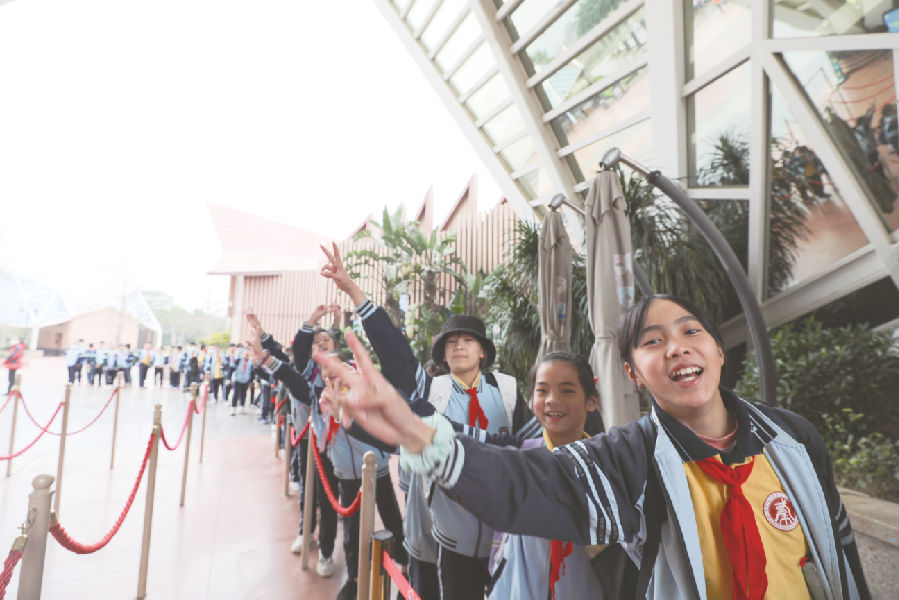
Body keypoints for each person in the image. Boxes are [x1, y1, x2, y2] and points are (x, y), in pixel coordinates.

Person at [318, 294, 871, 600]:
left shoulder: (793, 440)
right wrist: (414, 431)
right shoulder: (627, 459)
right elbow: (527, 480)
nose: (676, 348)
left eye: (691, 332)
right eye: (653, 341)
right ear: (633, 373)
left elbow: (841, 553)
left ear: (718, 351)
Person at [319, 242, 540, 600]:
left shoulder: (509, 391)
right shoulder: (432, 391)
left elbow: (535, 448)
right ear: (442, 355)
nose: (459, 346)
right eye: (451, 342)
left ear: (483, 351)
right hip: (453, 538)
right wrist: (354, 292)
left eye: (468, 340)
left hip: (507, 536)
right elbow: (397, 356)